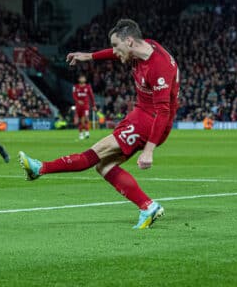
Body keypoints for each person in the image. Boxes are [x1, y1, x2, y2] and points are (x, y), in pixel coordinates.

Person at [19, 19, 179, 229]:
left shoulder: (158, 67)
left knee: (97, 151)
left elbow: (163, 112)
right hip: (140, 114)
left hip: (151, 121)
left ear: (129, 41)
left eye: (115, 45)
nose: (114, 50)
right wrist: (89, 56)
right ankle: (147, 206)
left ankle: (40, 168)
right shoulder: (143, 47)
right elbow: (117, 52)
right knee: (104, 166)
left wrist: (149, 150)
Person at [72, 74, 96, 140]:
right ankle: (81, 133)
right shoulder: (75, 87)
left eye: (83, 78)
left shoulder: (88, 87)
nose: (82, 79)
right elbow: (74, 95)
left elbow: (91, 96)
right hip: (78, 106)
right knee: (80, 120)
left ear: (85, 79)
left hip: (85, 106)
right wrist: (78, 101)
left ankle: (86, 132)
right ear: (79, 79)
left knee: (85, 119)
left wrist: (94, 105)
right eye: (81, 78)